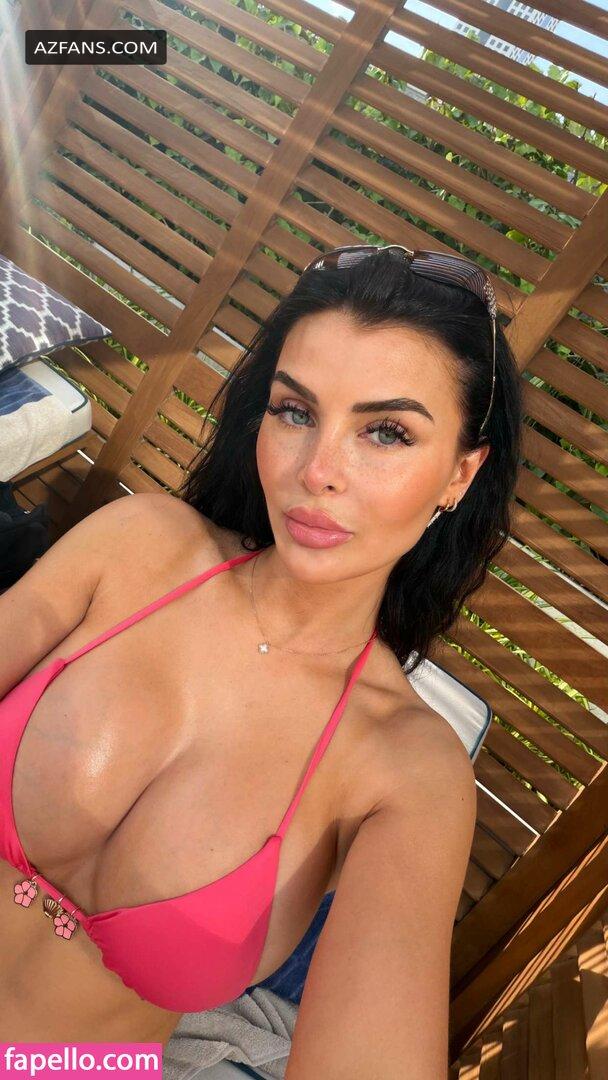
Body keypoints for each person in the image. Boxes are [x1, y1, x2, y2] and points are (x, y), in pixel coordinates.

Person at [0, 245, 523, 1075]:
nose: (318, 472)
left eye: (386, 431)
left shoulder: (407, 772)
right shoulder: (139, 545)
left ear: (460, 473)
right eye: (295, 411)